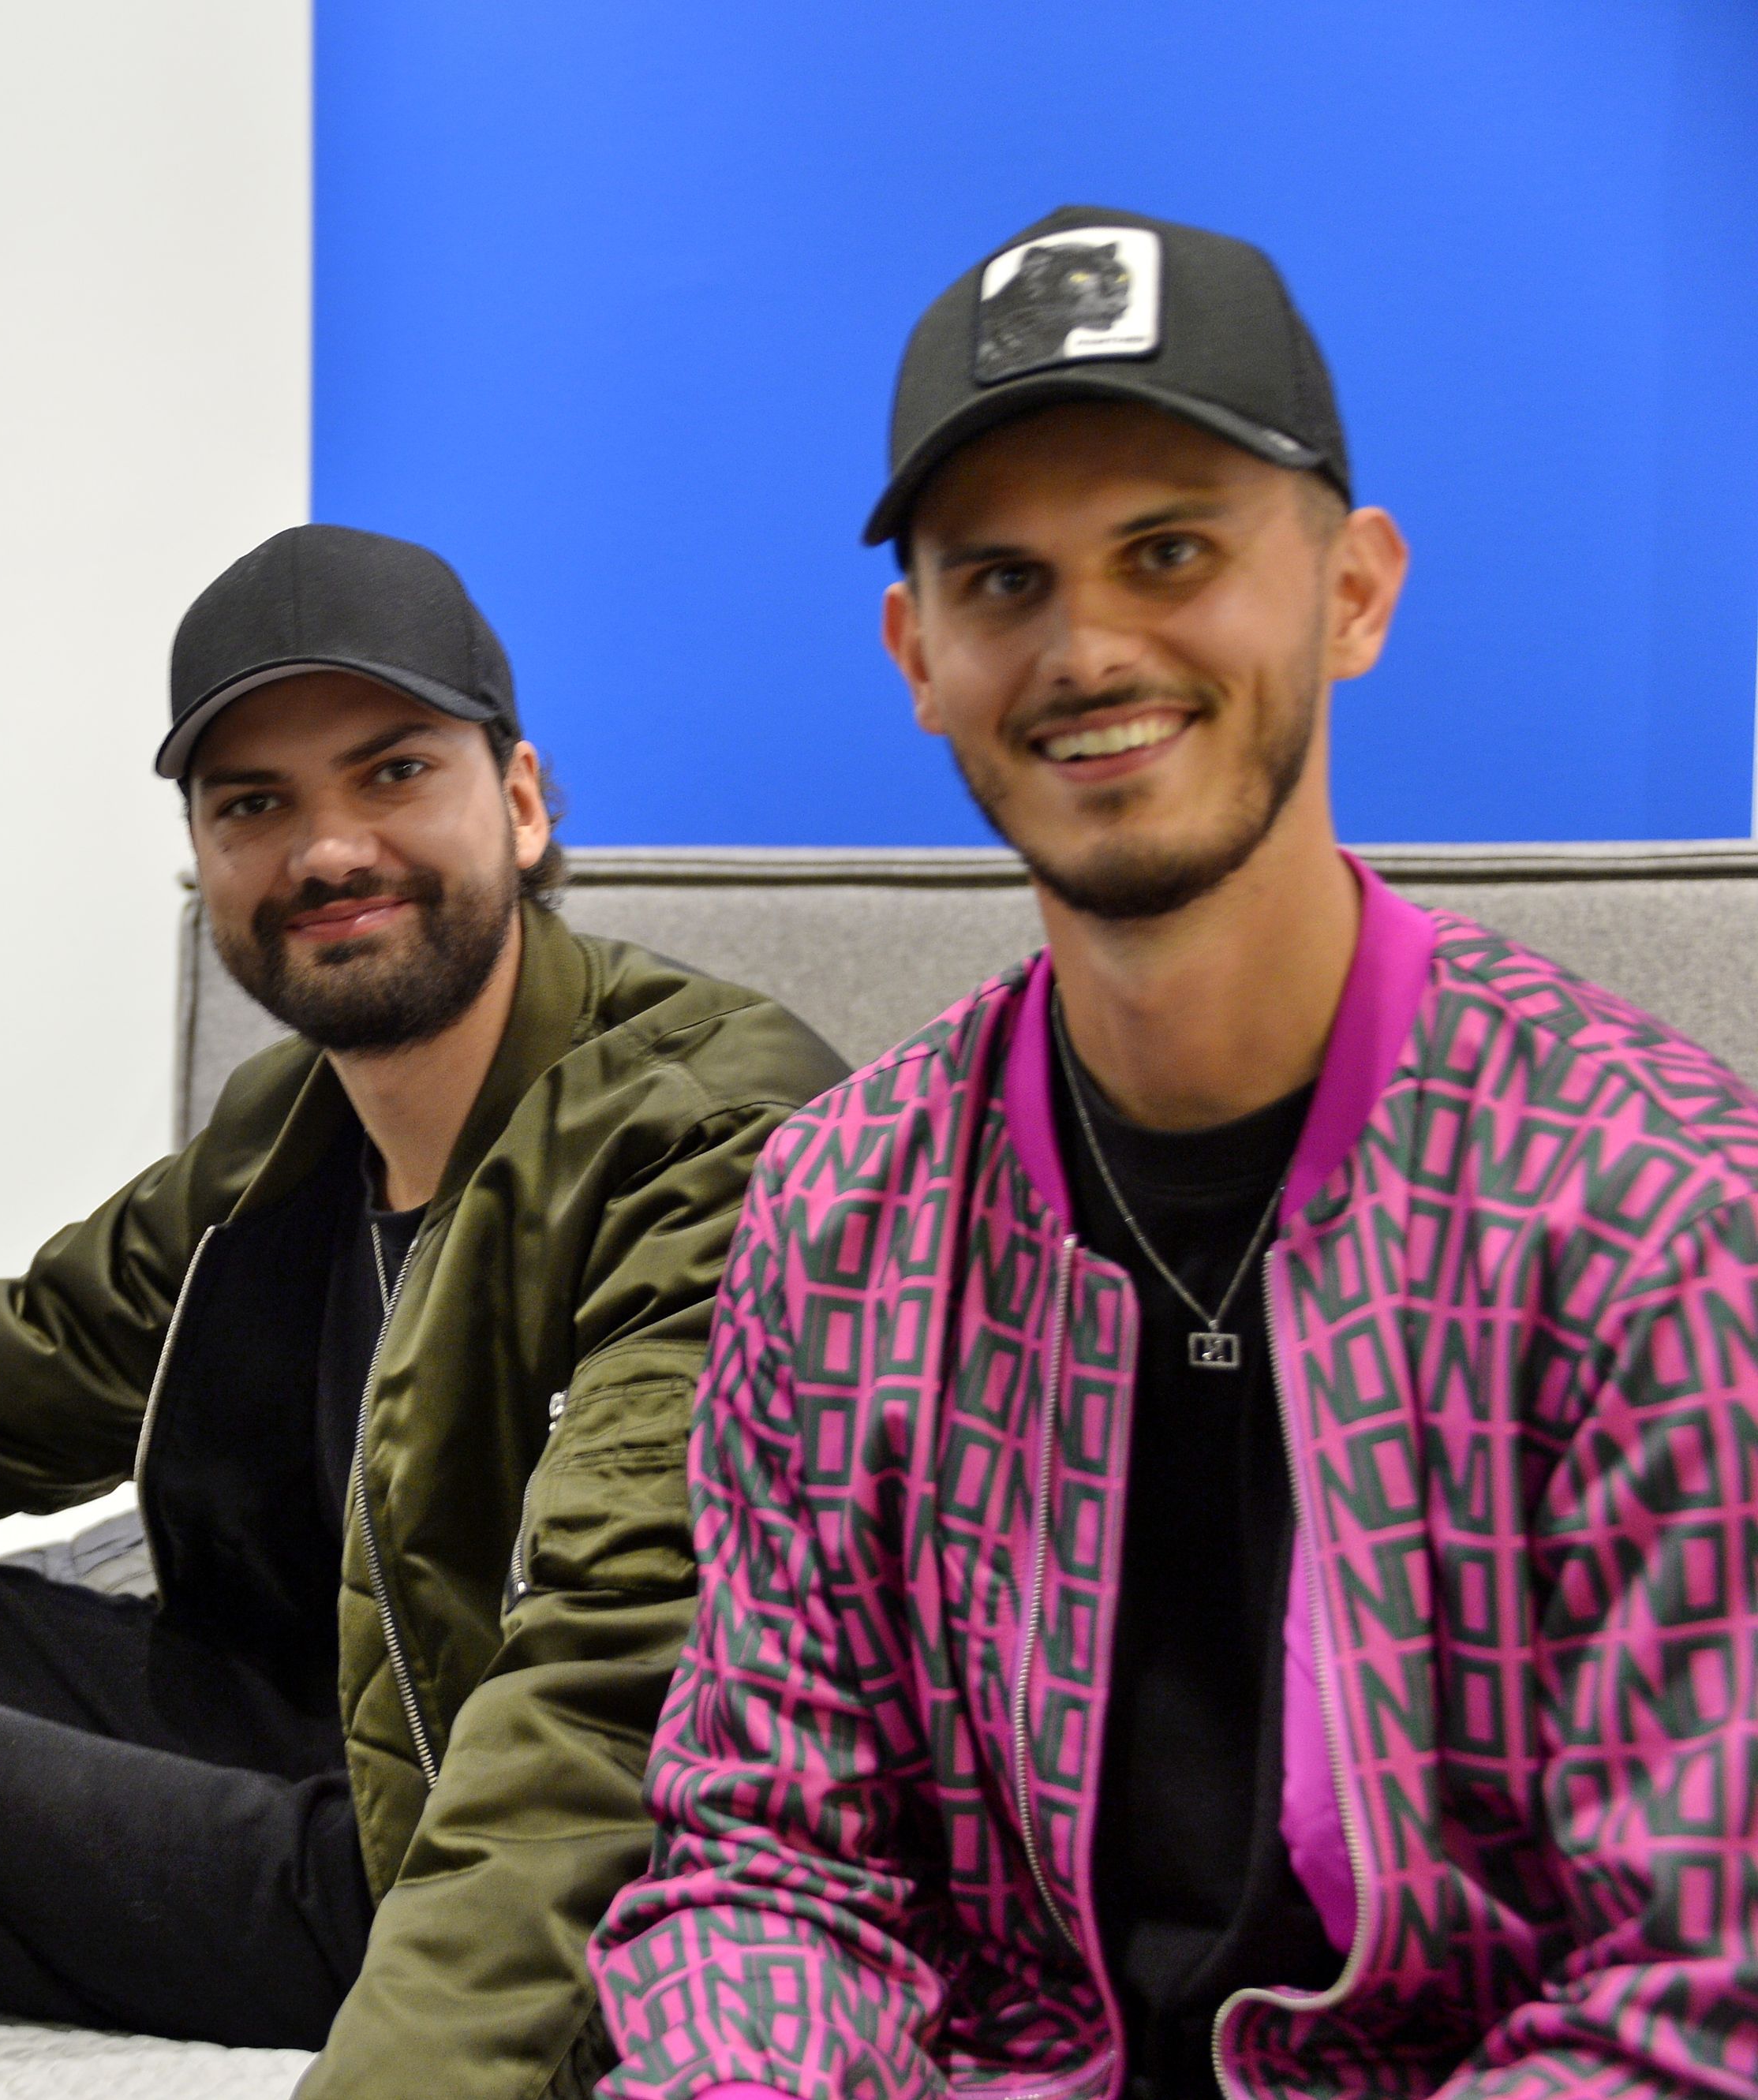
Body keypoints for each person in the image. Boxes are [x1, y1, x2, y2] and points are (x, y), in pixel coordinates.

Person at [590, 207, 1758, 2100]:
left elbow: (1702, 1996)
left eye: (1168, 551)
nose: (1087, 646)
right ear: (916, 652)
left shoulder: (1655, 1215)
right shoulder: (835, 1220)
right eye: (1000, 581)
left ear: (1352, 591)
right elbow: (770, 1859)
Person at [0, 524, 851, 2097]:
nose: (323, 850)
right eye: (254, 804)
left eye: (389, 774)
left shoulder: (700, 1125)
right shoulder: (281, 1134)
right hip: (289, 1733)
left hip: (458, 1845)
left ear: (516, 799)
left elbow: (611, 1703)